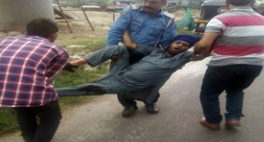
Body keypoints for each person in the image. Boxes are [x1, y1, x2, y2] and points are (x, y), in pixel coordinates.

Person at [57, 32, 199, 118]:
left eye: (185, 45)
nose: (180, 46)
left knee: (150, 95)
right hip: (121, 74)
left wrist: (213, 33)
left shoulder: (182, 58)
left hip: (139, 83)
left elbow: (203, 51)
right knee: (119, 49)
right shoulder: (155, 51)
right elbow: (130, 45)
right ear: (171, 43)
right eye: (178, 42)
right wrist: (126, 25)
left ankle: (150, 104)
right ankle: (73, 64)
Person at [193, 0, 264, 130]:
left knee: (209, 93)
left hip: (224, 65)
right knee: (236, 90)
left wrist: (196, 52)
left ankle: (212, 121)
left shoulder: (220, 19)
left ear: (226, 2)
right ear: (253, 1)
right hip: (254, 65)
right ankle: (233, 119)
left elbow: (204, 45)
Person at [0, 18, 73, 142]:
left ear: (26, 32)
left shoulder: (4, 42)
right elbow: (48, 75)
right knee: (51, 116)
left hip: (4, 91)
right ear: (53, 36)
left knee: (23, 111)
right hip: (32, 92)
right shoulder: (58, 51)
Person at [106, 0, 176, 64]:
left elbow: (167, 42)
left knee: (142, 75)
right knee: (117, 75)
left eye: (153, 2)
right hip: (124, 51)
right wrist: (112, 49)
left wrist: (169, 57)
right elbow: (116, 29)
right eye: (145, 1)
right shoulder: (131, 11)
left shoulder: (168, 20)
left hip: (146, 55)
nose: (147, 4)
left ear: (164, 3)